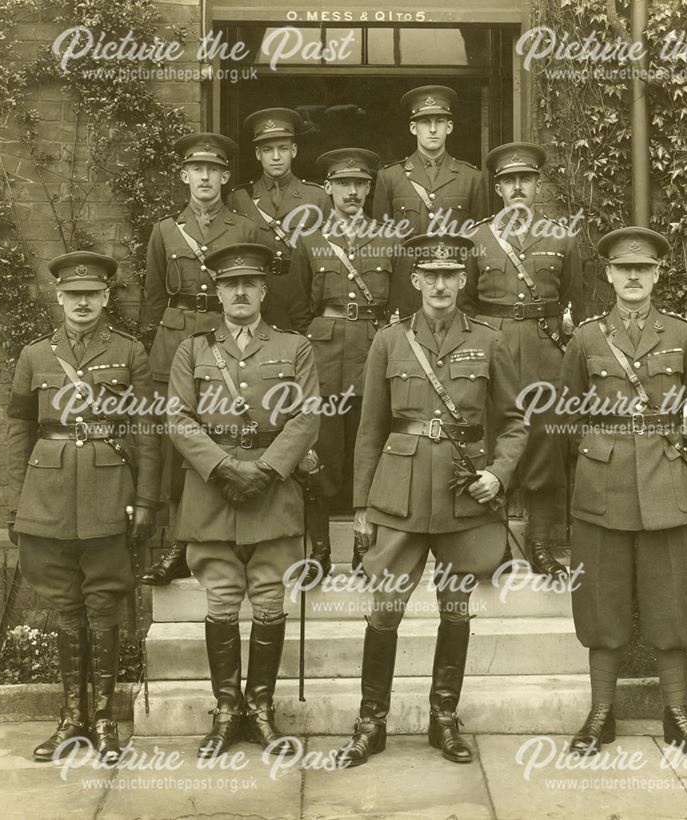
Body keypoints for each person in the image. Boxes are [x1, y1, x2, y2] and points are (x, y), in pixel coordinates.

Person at [337, 234, 527, 768]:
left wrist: (498, 474)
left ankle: (443, 718)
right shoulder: (389, 341)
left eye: (451, 274)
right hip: (398, 496)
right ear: (416, 281)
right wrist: (360, 507)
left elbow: (513, 422)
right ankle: (370, 722)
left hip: (464, 495)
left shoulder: (491, 340)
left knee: (456, 608)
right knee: (385, 611)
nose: (441, 284)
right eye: (430, 275)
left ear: (463, 280)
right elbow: (370, 428)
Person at [559, 227, 687, 758]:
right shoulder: (585, 337)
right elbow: (566, 408)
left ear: (655, 275)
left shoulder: (682, 335)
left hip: (665, 480)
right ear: (608, 274)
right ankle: (601, 714)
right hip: (601, 485)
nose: (633, 277)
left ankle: (677, 712)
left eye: (642, 269)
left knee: (671, 603)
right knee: (602, 603)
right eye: (623, 269)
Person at [166, 242, 320, 759]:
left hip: (273, 491)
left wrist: (269, 469)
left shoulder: (294, 346)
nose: (239, 292)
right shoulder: (192, 350)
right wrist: (226, 468)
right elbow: (179, 419)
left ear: (262, 290)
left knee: (271, 598)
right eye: (230, 284)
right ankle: (227, 710)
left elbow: (306, 416)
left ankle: (261, 711)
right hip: (213, 491)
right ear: (217, 290)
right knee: (222, 599)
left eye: (249, 283)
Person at [5, 251, 161, 762]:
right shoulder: (34, 355)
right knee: (65, 606)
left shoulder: (130, 351)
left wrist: (144, 500)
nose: (82, 303)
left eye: (92, 294)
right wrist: (16, 501)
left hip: (108, 492)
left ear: (107, 296)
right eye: (74, 295)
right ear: (60, 297)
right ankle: (72, 718)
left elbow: (144, 432)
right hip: (47, 493)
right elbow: (18, 427)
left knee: (104, 602)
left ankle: (105, 720)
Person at [139, 132, 263, 586]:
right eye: (197, 169)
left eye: (214, 169)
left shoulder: (246, 229)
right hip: (175, 342)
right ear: (185, 175)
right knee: (178, 446)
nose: (205, 177)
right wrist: (158, 348)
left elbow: (252, 293)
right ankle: (179, 545)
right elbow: (153, 302)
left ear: (226, 177)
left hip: (227, 338)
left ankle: (238, 538)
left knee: (228, 433)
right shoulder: (165, 231)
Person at [460, 142, 583, 576]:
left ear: (535, 186)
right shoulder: (476, 238)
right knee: (495, 442)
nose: (517, 187)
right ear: (497, 188)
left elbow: (575, 300)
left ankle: (540, 545)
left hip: (545, 349)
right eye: (509, 181)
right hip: (493, 348)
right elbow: (467, 303)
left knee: (546, 445)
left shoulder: (562, 237)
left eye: (525, 180)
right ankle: (496, 548)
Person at [289, 148, 399, 574]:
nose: (352, 192)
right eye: (343, 184)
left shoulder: (389, 239)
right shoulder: (311, 240)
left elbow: (402, 307)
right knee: (320, 448)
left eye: (360, 184)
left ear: (369, 189)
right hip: (324, 355)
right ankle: (319, 546)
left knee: (370, 445)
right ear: (329, 189)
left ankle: (364, 542)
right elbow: (299, 309)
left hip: (373, 350)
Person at [373, 85, 486, 317]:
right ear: (414, 128)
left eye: (440, 122)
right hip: (407, 292)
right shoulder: (390, 177)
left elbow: (479, 244)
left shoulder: (471, 178)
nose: (433, 129)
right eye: (425, 122)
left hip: (455, 292)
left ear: (450, 127)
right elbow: (381, 246)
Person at [226, 107, 330, 332]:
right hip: (258, 296)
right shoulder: (239, 199)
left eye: (282, 148)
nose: (275, 157)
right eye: (267, 149)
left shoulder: (317, 197)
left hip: (303, 297)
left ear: (293, 150)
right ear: (257, 154)